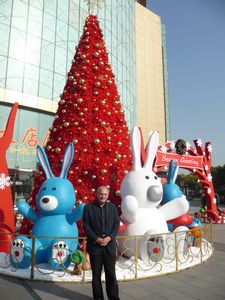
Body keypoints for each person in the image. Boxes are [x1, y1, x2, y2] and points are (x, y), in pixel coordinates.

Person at [82, 186, 120, 300]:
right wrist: (96, 239)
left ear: (108, 195)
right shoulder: (88, 208)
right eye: (101, 194)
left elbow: (116, 224)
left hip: (109, 247)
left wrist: (110, 237)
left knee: (111, 275)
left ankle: (113, 298)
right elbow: (86, 226)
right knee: (96, 277)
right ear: (96, 194)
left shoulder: (112, 208)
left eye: (105, 194)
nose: (103, 196)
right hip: (95, 248)